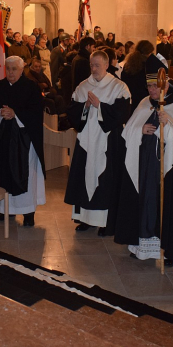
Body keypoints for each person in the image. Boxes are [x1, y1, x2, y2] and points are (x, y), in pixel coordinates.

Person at [114, 55, 173, 265]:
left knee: (166, 205)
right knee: (144, 203)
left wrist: (168, 126)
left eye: (155, 86)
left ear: (165, 82)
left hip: (167, 172)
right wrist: (139, 130)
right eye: (149, 86)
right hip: (144, 169)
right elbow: (129, 130)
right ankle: (141, 246)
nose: (151, 91)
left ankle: (169, 249)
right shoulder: (144, 103)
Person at [64, 50, 131, 235]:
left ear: (106, 65)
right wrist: (84, 107)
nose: (93, 69)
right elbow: (72, 111)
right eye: (91, 65)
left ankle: (105, 222)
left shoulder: (119, 87)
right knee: (84, 176)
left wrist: (99, 106)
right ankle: (85, 219)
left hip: (108, 142)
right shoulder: (83, 86)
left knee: (106, 180)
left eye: (97, 65)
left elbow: (122, 113)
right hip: (86, 141)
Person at [0, 56, 45, 226]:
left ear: (21, 70)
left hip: (24, 141)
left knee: (26, 175)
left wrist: (15, 113)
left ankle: (28, 213)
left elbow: (36, 112)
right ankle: (6, 210)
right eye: (8, 69)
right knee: (3, 172)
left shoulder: (31, 87)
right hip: (3, 139)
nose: (10, 72)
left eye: (14, 69)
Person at [120, 40, 155, 114]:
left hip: (129, 101)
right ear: (148, 53)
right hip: (143, 103)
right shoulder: (148, 66)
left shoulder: (128, 64)